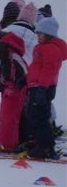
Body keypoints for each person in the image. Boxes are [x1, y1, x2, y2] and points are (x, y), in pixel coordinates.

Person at [0, 1, 38, 152]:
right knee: (18, 111)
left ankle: (6, 143)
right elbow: (35, 59)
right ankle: (18, 138)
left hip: (8, 77)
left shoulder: (7, 31)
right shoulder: (34, 36)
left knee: (8, 111)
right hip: (24, 78)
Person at [24, 17, 66, 158]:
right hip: (36, 86)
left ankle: (46, 148)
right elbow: (35, 68)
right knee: (33, 116)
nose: (38, 36)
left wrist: (42, 88)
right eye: (37, 33)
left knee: (40, 117)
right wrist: (25, 79)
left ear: (49, 34)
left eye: (41, 33)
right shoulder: (41, 47)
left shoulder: (51, 49)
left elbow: (49, 70)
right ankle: (40, 143)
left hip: (43, 88)